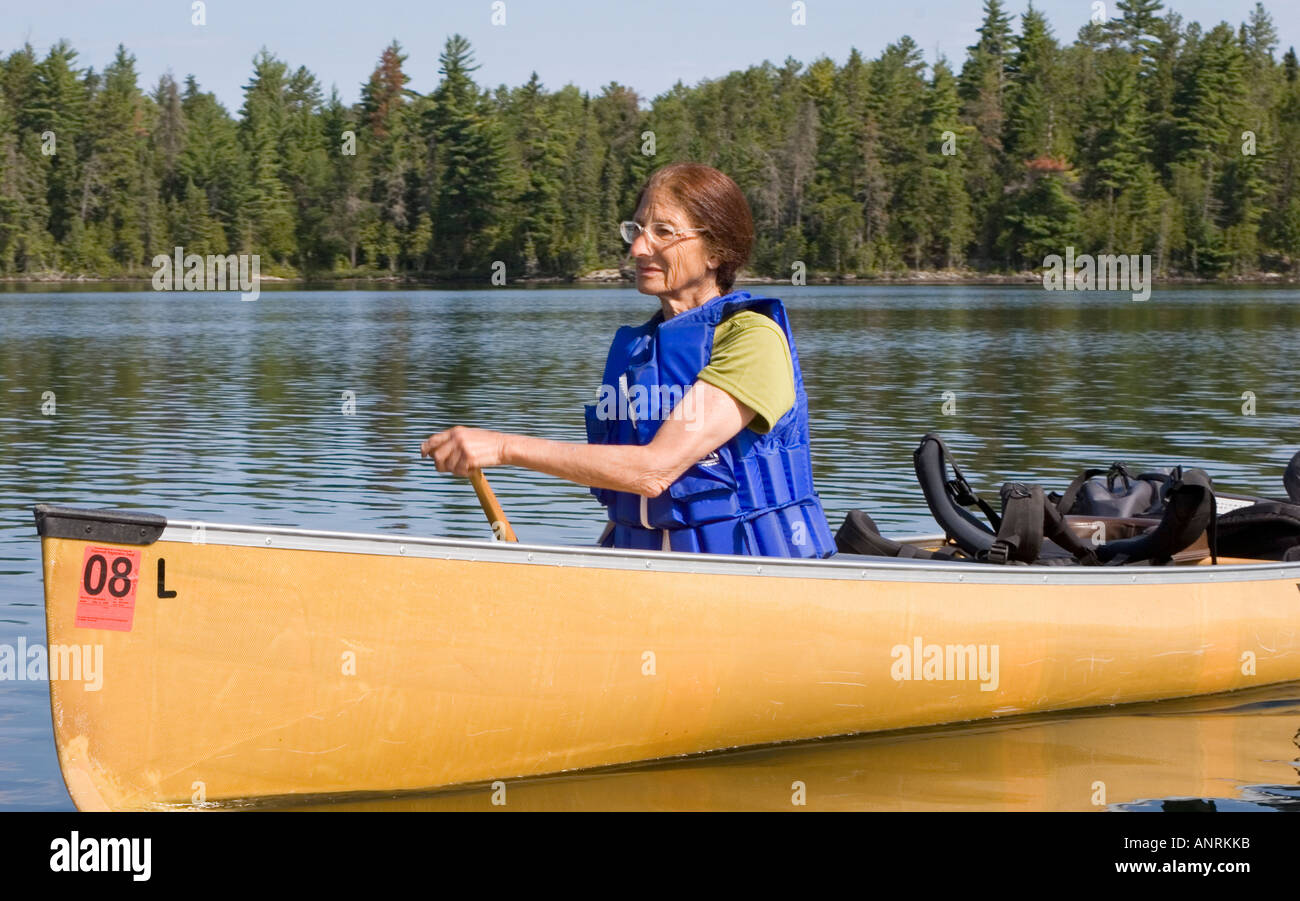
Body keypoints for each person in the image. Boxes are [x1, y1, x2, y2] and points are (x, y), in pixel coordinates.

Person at [421, 162, 836, 557]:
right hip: (650, 574)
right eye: (636, 230)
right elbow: (634, 499)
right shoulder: (639, 350)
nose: (638, 247)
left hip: (750, 578)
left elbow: (654, 470)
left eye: (663, 232)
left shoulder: (753, 340)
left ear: (716, 251)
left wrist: (502, 447)